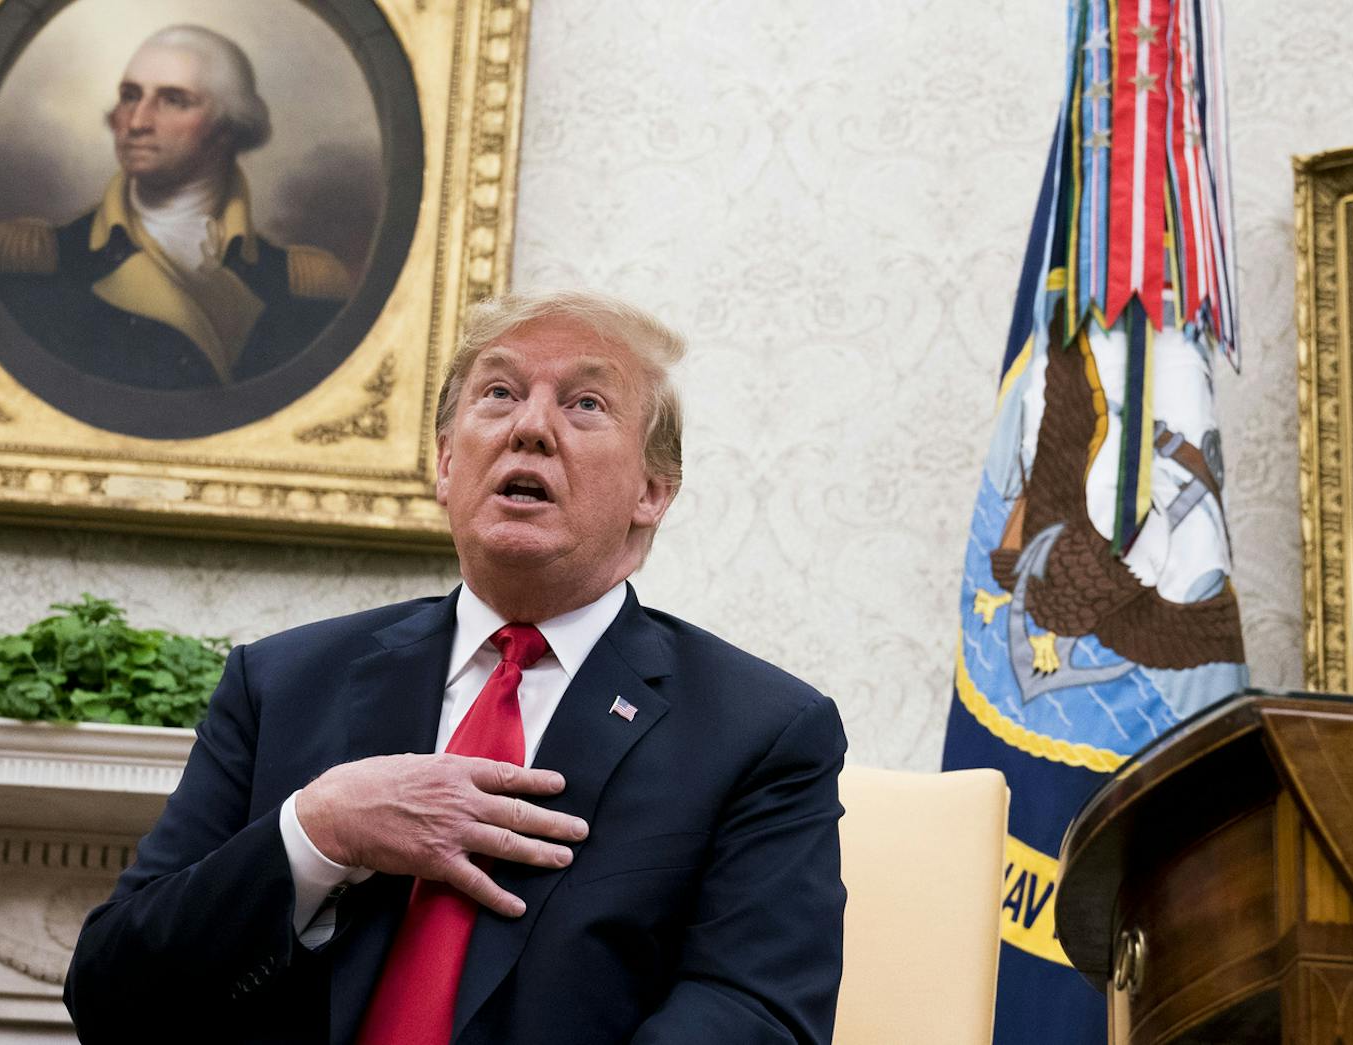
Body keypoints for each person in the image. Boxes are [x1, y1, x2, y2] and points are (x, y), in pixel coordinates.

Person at [64, 291, 849, 1044]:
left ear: (653, 490)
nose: (532, 428)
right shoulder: (281, 683)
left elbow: (755, 1014)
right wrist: (319, 830)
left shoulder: (759, 732)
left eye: (586, 404)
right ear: (445, 464)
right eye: (500, 393)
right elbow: (111, 992)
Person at [0, 25, 353, 391]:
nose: (137, 122)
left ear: (228, 127)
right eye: (130, 95)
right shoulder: (38, 264)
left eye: (174, 100)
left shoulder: (300, 286)